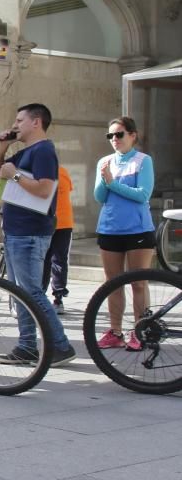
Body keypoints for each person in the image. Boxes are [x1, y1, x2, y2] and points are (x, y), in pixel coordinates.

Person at [0, 103, 76, 365]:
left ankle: (60, 345)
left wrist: (14, 177)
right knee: (21, 293)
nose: (15, 125)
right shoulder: (26, 152)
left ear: (36, 122)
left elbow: (45, 190)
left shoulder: (44, 151)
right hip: (16, 231)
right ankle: (26, 346)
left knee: (31, 292)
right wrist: (3, 146)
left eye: (19, 120)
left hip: (30, 232)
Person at [93, 116, 155, 350]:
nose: (114, 140)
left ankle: (140, 330)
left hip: (138, 230)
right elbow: (99, 197)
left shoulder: (143, 161)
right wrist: (103, 180)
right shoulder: (105, 161)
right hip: (110, 229)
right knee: (113, 283)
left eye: (119, 134)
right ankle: (115, 331)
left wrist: (112, 183)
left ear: (132, 135)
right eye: (110, 136)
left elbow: (143, 194)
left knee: (138, 283)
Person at [42, 165, 73, 315]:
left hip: (45, 221)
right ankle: (58, 298)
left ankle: (40, 295)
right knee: (59, 259)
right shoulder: (63, 171)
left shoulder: (38, 172)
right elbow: (68, 191)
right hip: (65, 222)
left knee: (44, 259)